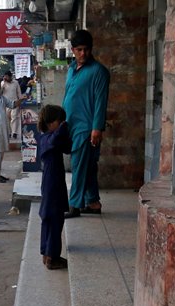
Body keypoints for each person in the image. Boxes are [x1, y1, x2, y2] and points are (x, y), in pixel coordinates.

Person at [61, 29, 109, 218]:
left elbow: (101, 102)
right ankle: (93, 202)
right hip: (71, 124)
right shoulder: (72, 69)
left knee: (79, 166)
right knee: (87, 166)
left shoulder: (99, 72)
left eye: (86, 49)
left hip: (87, 127)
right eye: (79, 50)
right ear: (73, 50)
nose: (83, 53)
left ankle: (74, 205)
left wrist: (97, 128)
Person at [35, 105, 71, 270]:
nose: (62, 124)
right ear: (51, 123)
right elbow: (56, 139)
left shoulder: (49, 138)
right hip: (52, 182)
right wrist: (65, 126)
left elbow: (67, 148)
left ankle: (47, 253)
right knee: (53, 219)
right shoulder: (46, 138)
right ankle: (52, 256)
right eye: (59, 121)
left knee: (51, 218)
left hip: (53, 181)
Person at [1, 70, 22, 139]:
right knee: (7, 119)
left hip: (15, 102)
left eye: (7, 77)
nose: (6, 78)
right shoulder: (2, 83)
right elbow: (0, 92)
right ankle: (9, 132)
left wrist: (20, 100)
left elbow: (19, 92)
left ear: (10, 77)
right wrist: (3, 84)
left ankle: (14, 132)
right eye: (5, 77)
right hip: (5, 103)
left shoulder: (15, 83)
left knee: (14, 117)